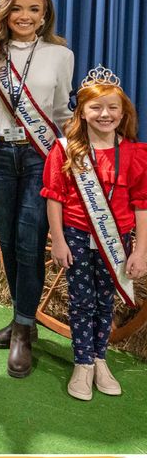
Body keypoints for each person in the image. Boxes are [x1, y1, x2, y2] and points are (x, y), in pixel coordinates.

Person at [0, 0, 74, 378]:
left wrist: (73, 158)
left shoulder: (60, 55)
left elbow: (64, 112)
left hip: (40, 157)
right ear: (6, 12)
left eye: (34, 8)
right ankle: (22, 320)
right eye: (18, 8)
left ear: (45, 12)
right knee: (8, 241)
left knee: (30, 241)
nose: (25, 15)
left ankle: (22, 330)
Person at [40, 66, 144, 400]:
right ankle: (82, 363)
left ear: (123, 112)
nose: (105, 114)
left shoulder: (135, 154)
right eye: (96, 107)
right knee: (81, 301)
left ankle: (101, 359)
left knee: (105, 302)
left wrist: (141, 250)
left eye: (113, 107)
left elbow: (141, 204)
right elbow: (54, 197)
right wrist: (57, 238)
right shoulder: (66, 150)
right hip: (76, 238)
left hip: (118, 241)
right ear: (82, 112)